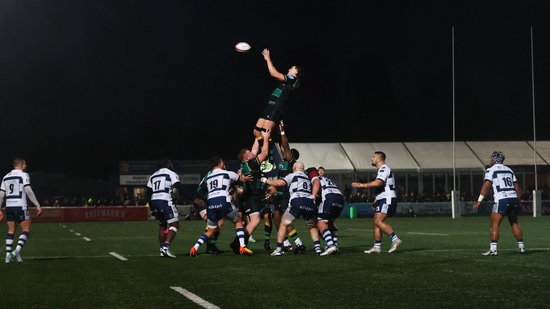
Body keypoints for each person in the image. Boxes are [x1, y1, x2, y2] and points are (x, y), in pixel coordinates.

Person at [262, 161, 329, 256]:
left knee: (283, 224)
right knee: (311, 226)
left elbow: (280, 183)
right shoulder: (307, 177)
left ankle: (278, 249)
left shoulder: (292, 175)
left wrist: (266, 180)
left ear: (294, 168)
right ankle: (318, 248)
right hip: (309, 202)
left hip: (297, 200)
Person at [190, 156, 253, 256]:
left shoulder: (208, 176)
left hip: (211, 203)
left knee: (210, 230)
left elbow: (200, 191)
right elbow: (241, 180)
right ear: (219, 163)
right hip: (223, 201)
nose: (224, 164)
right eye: (223, 162)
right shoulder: (228, 173)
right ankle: (242, 247)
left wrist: (208, 197)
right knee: (238, 221)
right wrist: (244, 178)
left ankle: (194, 248)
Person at [144, 159, 203, 258]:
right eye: (170, 163)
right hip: (165, 201)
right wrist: (193, 198)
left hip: (154, 201)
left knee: (162, 225)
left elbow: (148, 193)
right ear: (167, 164)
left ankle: (161, 250)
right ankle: (166, 248)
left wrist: (151, 207)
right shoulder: (171, 173)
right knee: (175, 224)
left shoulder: (153, 175)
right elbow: (180, 188)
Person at [472, 151, 525, 256]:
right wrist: (518, 200)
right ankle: (521, 247)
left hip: (502, 199)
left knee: (494, 224)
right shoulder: (509, 170)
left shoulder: (491, 170)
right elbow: (517, 188)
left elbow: (486, 186)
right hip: (513, 198)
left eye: (492, 158)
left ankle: (493, 249)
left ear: (494, 159)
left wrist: (479, 200)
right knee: (514, 223)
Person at [264, 121, 305, 253]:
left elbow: (285, 145)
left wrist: (282, 131)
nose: (282, 150)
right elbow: (280, 181)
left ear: (291, 155)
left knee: (284, 220)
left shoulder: (290, 161)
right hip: (279, 194)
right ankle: (286, 243)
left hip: (286, 194)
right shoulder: (283, 164)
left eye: (286, 151)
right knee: (276, 219)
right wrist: (273, 191)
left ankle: (298, 243)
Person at [351, 151, 402, 254]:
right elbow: (383, 186)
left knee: (378, 221)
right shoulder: (382, 169)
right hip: (383, 198)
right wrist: (377, 199)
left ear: (379, 159)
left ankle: (395, 239)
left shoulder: (384, 168)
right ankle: (377, 247)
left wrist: (362, 185)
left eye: (373, 157)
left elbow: (379, 182)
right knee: (376, 223)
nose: (371, 159)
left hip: (388, 199)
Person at [231, 130, 271, 253]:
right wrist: (265, 138)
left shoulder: (246, 163)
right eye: (249, 153)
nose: (253, 152)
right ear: (247, 157)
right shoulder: (251, 164)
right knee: (256, 219)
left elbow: (254, 150)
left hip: (250, 196)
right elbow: (264, 152)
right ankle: (239, 243)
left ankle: (238, 242)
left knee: (256, 219)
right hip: (250, 196)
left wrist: (257, 135)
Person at [253, 49, 302, 141]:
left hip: (276, 107)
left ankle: (268, 153)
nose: (289, 69)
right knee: (256, 132)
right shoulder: (288, 80)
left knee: (265, 133)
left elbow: (273, 73)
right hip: (269, 106)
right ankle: (263, 149)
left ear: (295, 72)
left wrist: (268, 59)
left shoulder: (292, 79)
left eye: (291, 68)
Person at [0, 158, 42, 263]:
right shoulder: (24, 175)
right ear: (21, 164)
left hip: (8, 207)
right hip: (20, 206)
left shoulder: (5, 176)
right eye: (25, 163)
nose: (26, 165)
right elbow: (28, 190)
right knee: (26, 230)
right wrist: (37, 204)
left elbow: (1, 195)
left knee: (10, 231)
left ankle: (7, 256)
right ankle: (17, 251)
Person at [307, 166, 345, 255]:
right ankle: (335, 245)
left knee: (321, 223)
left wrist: (313, 195)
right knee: (331, 222)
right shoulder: (327, 179)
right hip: (340, 198)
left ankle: (331, 246)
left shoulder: (315, 178)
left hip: (329, 198)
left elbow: (316, 183)